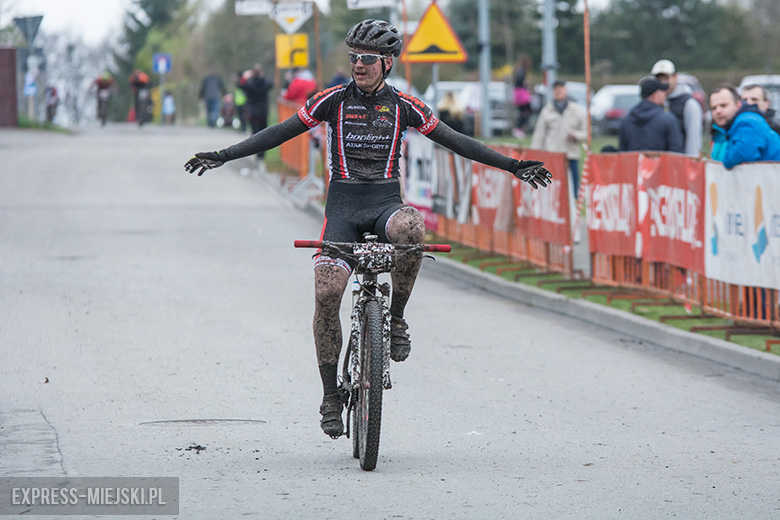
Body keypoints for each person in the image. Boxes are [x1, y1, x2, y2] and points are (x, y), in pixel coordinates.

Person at [184, 19, 552, 439]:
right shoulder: (332, 101)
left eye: (367, 59)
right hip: (342, 208)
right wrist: (224, 155)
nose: (358, 65)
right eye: (353, 57)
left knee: (412, 227)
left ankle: (395, 320)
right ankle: (329, 396)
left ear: (388, 63)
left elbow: (457, 141)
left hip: (384, 204)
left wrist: (513, 166)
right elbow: (278, 134)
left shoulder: (405, 106)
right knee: (326, 294)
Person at [530, 79, 587, 199]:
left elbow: (587, 132)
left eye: (561, 88)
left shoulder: (576, 110)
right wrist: (535, 156)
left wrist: (576, 135)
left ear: (566, 90)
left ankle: (572, 212)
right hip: (552, 154)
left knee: (572, 189)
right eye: (556, 89)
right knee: (552, 187)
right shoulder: (546, 111)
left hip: (570, 155)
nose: (559, 91)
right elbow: (539, 135)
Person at [709, 83, 780, 169]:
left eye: (723, 105)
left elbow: (739, 156)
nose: (718, 111)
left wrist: (726, 161)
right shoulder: (733, 126)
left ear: (738, 105)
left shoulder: (747, 122)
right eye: (714, 108)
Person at [651, 59, 703, 157]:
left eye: (666, 78)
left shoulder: (689, 104)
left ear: (675, 77)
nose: (662, 82)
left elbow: (693, 143)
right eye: (659, 79)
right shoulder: (655, 103)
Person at [619, 76, 684, 153]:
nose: (665, 95)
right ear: (656, 96)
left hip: (632, 165)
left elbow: (622, 153)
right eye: (662, 92)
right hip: (661, 165)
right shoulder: (668, 119)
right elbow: (676, 153)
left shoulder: (626, 120)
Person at [240, 64, 273, 166]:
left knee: (255, 133)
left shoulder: (249, 83)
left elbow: (242, 87)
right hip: (263, 111)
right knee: (264, 132)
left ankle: (256, 152)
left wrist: (245, 77)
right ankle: (262, 154)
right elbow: (271, 84)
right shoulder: (265, 83)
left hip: (253, 111)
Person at [512, 54, 533, 138]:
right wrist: (526, 84)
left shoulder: (517, 69)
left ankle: (519, 129)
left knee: (523, 111)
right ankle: (519, 128)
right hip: (522, 92)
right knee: (527, 110)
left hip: (518, 92)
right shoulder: (522, 70)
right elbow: (521, 80)